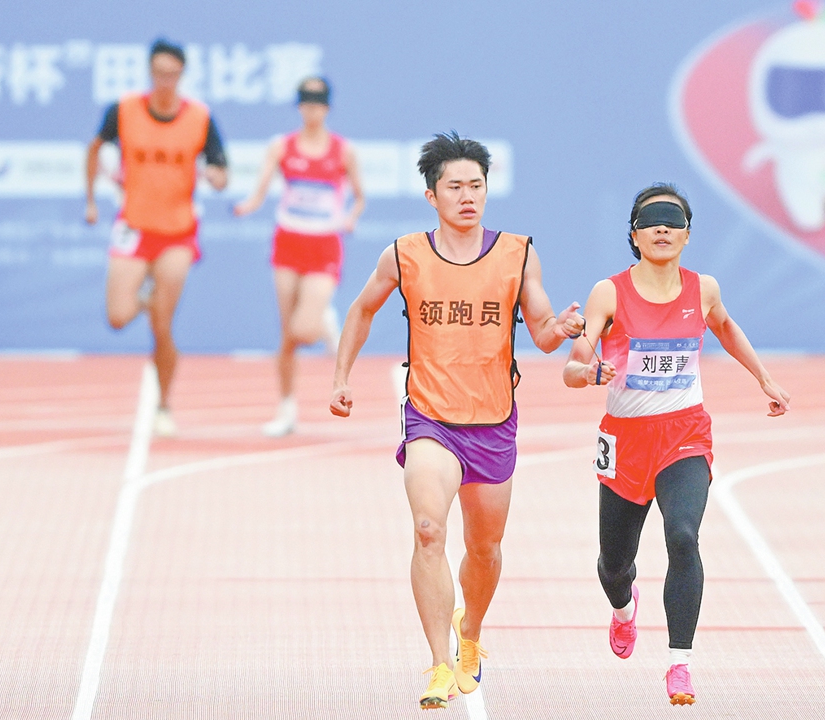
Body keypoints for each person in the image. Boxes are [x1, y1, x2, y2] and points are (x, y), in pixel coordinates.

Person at [329, 132, 584, 709]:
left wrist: (563, 330)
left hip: (493, 420)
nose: (468, 196)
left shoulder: (517, 252)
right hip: (430, 418)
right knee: (427, 530)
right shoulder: (404, 254)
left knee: (486, 547)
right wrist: (341, 377)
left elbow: (542, 333)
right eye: (455, 187)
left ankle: (470, 635)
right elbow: (362, 308)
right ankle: (440, 663)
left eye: (476, 185)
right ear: (431, 195)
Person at [562, 183, 790, 705]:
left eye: (673, 220)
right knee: (614, 563)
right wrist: (589, 373)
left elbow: (727, 327)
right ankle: (624, 607)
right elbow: (574, 366)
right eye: (652, 220)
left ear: (687, 234)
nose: (663, 228)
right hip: (626, 440)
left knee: (683, 536)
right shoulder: (610, 292)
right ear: (636, 235)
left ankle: (679, 663)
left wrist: (764, 379)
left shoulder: (702, 289)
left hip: (685, 433)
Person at [85, 38, 228, 436]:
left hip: (177, 233)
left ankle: (163, 405)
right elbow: (94, 149)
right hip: (133, 226)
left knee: (162, 327)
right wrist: (91, 200)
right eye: (158, 72)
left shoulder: (199, 117)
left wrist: (217, 178)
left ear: (182, 74)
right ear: (150, 72)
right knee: (117, 316)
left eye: (173, 73)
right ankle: (148, 299)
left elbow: (221, 168)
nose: (165, 80)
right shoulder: (124, 110)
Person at [234, 76, 365, 437]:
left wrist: (350, 218)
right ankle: (287, 408)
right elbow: (260, 190)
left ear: (327, 107)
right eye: (306, 102)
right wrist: (247, 206)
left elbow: (360, 195)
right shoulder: (281, 146)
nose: (312, 109)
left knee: (303, 329)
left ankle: (322, 317)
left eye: (318, 102)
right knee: (287, 336)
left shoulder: (342, 150)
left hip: (324, 245)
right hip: (288, 243)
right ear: (299, 106)